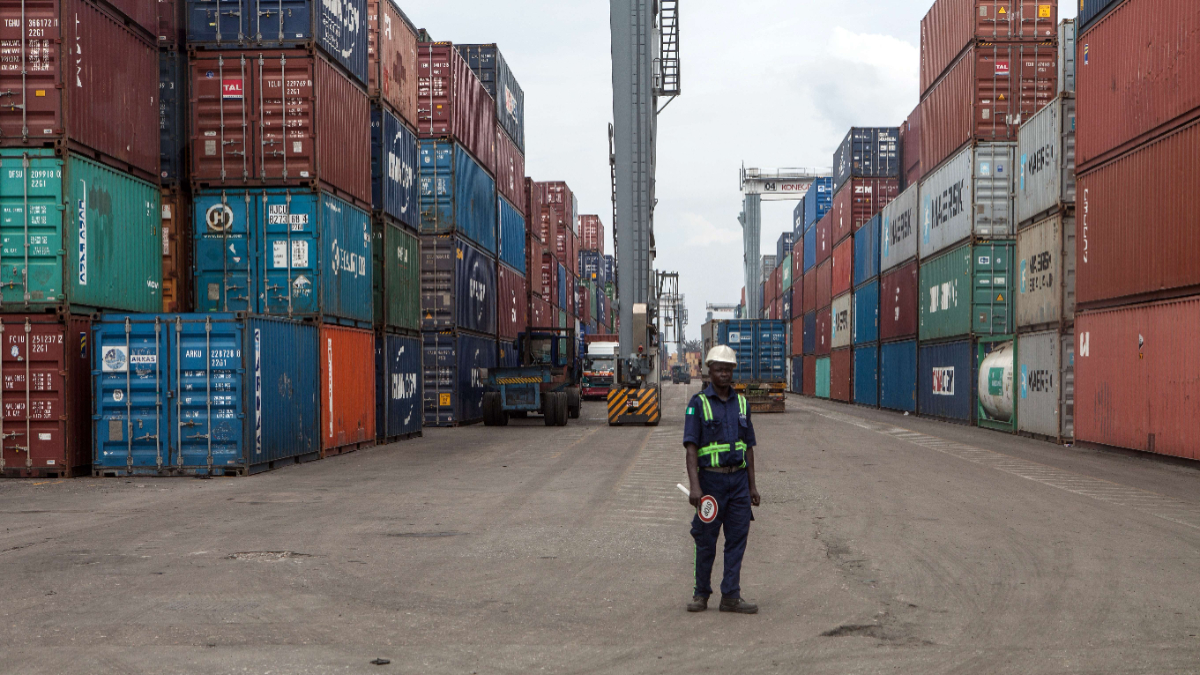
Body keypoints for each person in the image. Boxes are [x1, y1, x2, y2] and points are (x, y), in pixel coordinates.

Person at [682, 346, 761, 614]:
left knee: (737, 539)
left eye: (728, 369)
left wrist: (752, 486)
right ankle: (701, 594)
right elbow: (691, 449)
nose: (724, 373)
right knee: (706, 540)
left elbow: (748, 447)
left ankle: (731, 596)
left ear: (732, 371)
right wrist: (695, 486)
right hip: (710, 485)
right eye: (719, 368)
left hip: (738, 483)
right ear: (709, 370)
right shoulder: (698, 404)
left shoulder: (742, 404)